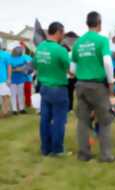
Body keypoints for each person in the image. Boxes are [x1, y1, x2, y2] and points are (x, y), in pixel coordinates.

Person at [72, 11, 115, 162]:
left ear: (87, 23)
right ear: (99, 23)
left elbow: (72, 68)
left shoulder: (78, 42)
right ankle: (106, 156)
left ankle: (83, 154)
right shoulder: (102, 40)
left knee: (83, 121)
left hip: (80, 85)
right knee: (105, 120)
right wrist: (110, 82)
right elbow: (108, 62)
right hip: (97, 86)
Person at [33, 22, 70, 156]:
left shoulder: (40, 47)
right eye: (63, 33)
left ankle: (45, 149)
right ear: (58, 32)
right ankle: (57, 150)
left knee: (45, 119)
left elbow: (35, 65)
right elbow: (70, 69)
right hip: (58, 88)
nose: (63, 36)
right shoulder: (60, 50)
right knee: (59, 120)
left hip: (44, 87)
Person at [9, 46, 31, 115]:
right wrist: (15, 70)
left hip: (21, 78)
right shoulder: (10, 58)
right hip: (13, 79)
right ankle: (14, 110)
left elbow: (29, 65)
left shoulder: (23, 57)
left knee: (21, 94)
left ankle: (21, 109)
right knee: (13, 94)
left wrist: (22, 68)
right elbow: (9, 69)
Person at [0, 43, 12, 117]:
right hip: (3, 79)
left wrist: (9, 78)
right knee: (6, 96)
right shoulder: (6, 54)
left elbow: (9, 67)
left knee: (5, 96)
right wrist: (9, 78)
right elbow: (9, 67)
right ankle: (5, 111)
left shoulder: (6, 54)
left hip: (3, 79)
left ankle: (5, 111)